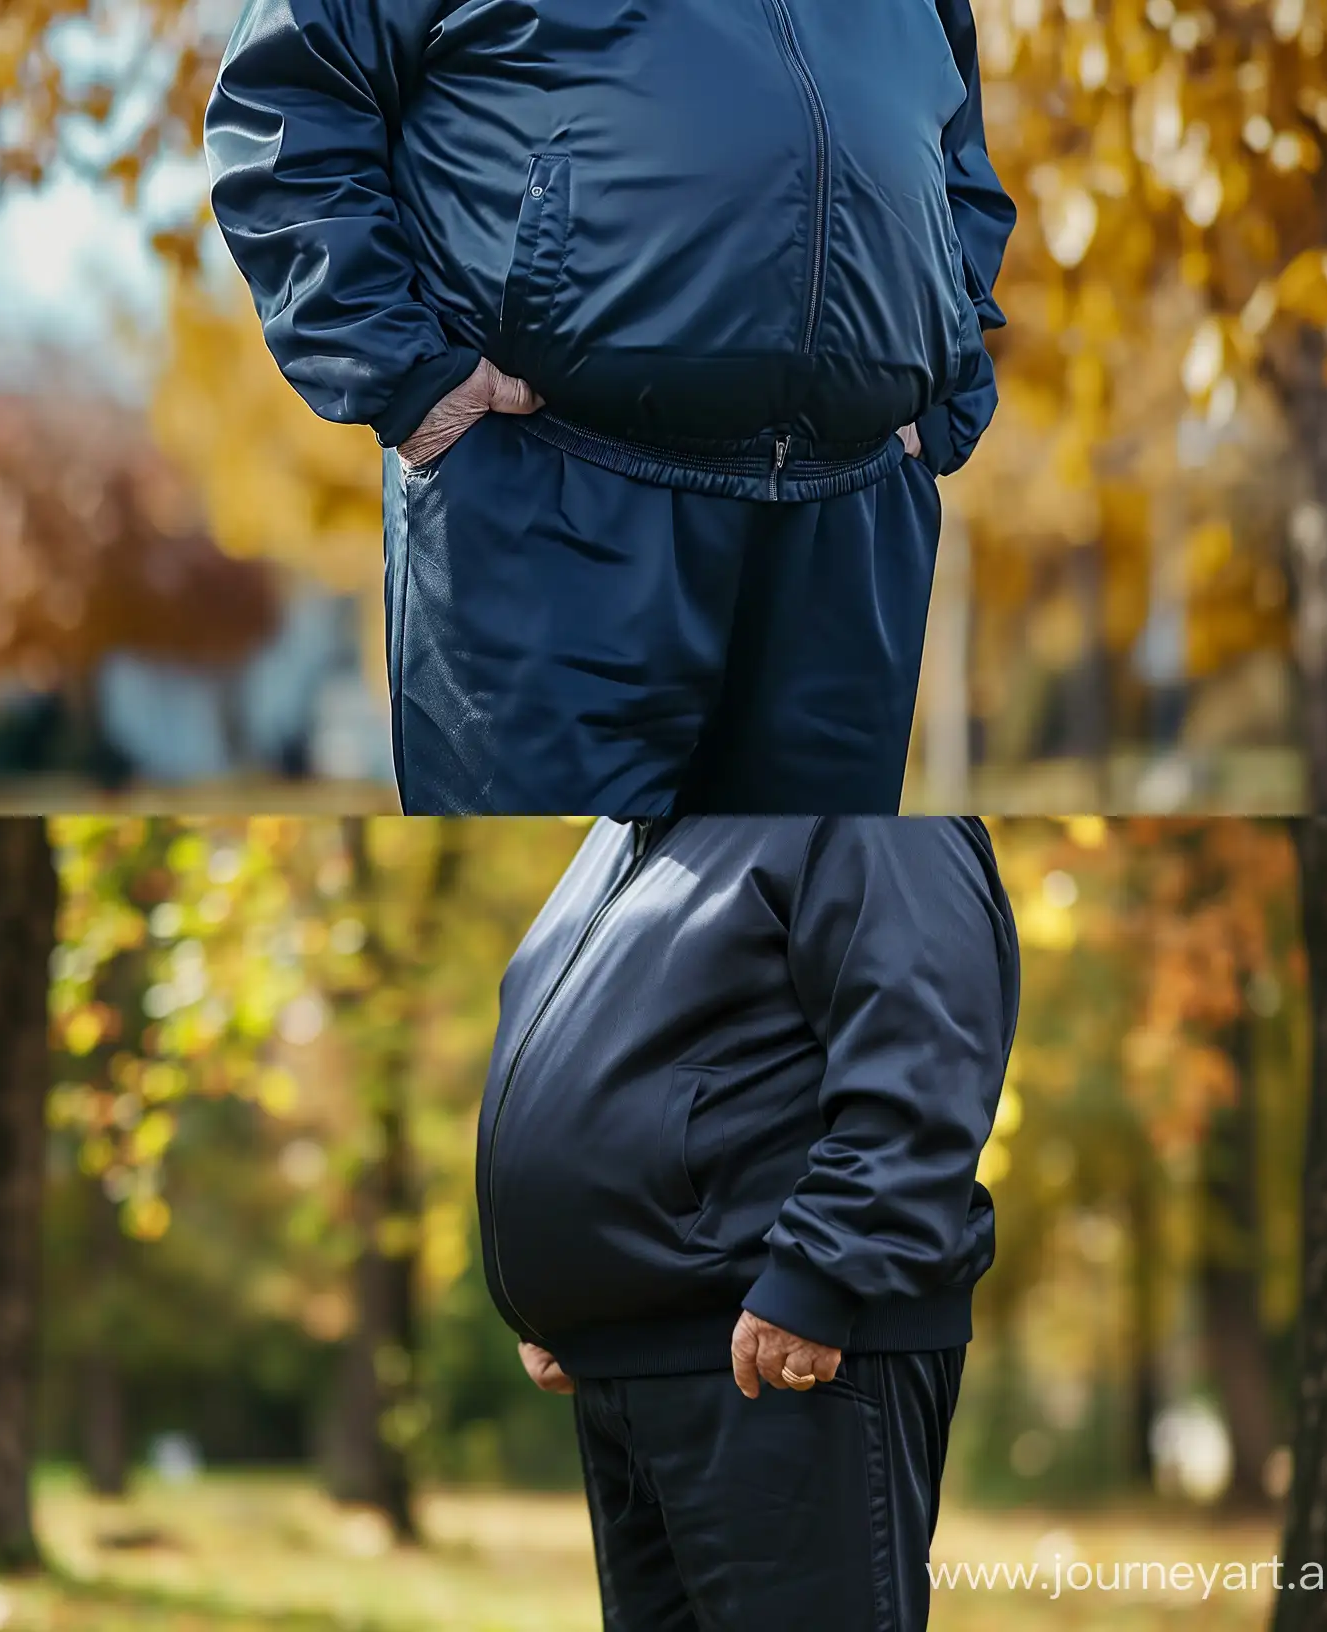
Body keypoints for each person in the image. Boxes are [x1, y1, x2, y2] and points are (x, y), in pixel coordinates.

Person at [207, 2, 1015, 814]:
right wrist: (404, 375)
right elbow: (286, 91)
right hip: (549, 500)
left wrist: (949, 370)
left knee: (809, 921)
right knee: (549, 920)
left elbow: (957, 162)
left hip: (851, 523)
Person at [480, 817, 1016, 1628]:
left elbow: (923, 1051)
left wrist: (816, 1278)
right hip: (633, 1366)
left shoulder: (868, 799)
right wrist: (562, 1290)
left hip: (783, 1358)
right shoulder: (634, 826)